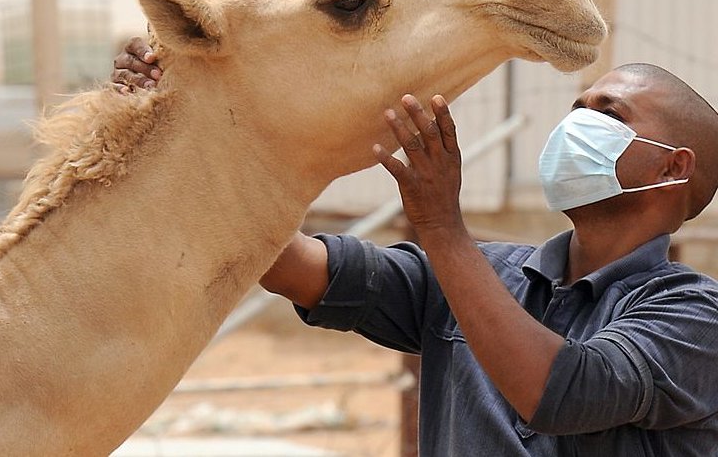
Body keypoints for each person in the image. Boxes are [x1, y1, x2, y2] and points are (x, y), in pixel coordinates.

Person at [113, 39, 718, 455]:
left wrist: (443, 228)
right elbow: (291, 264)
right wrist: (176, 129)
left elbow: (562, 392)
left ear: (675, 164)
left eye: (607, 114)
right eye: (576, 109)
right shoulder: (484, 273)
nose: (576, 125)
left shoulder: (695, 315)